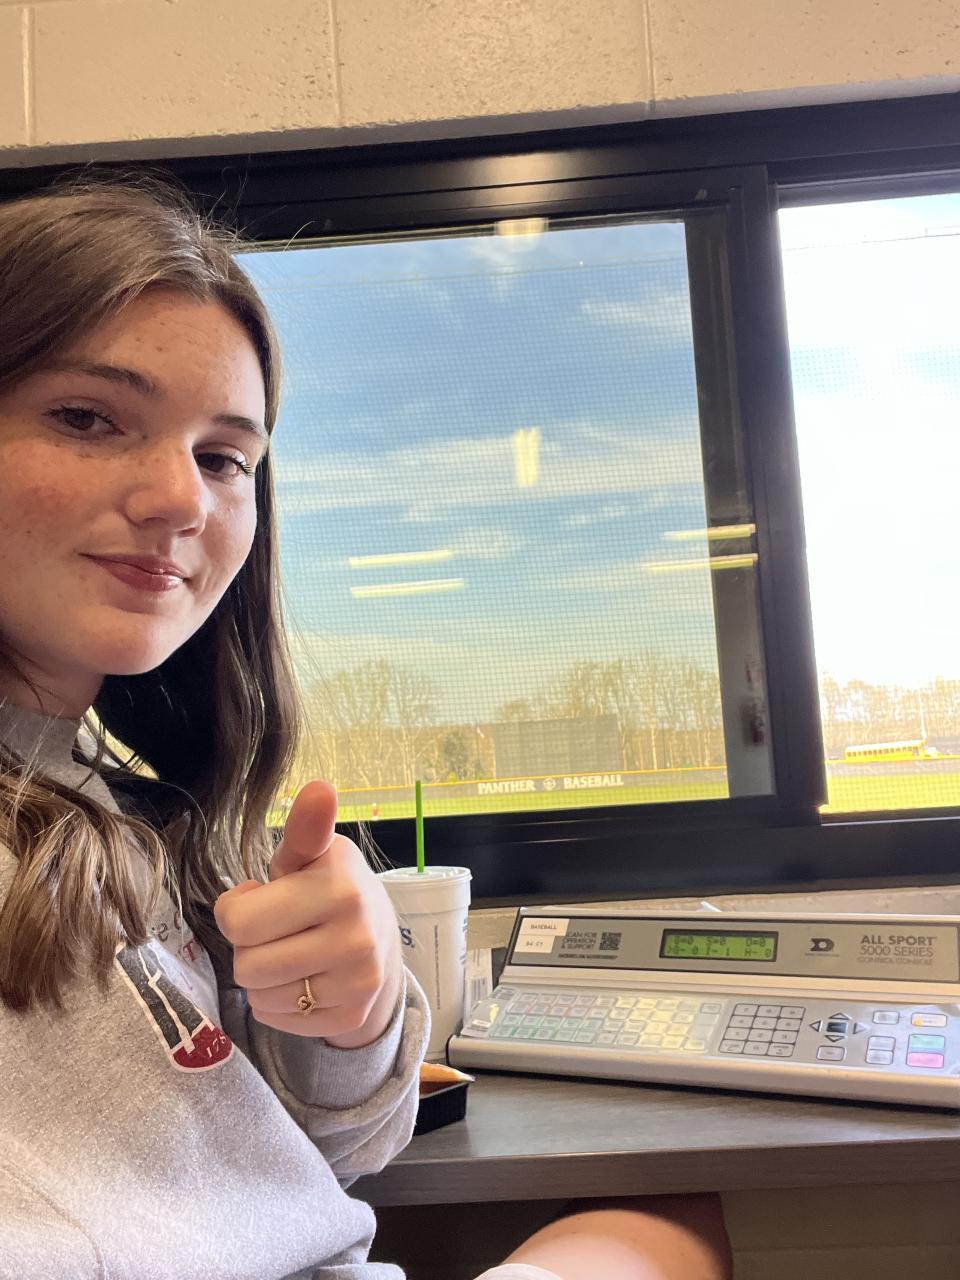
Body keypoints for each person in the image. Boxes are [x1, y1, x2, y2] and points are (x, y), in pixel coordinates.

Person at [0, 178, 732, 1280]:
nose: (181, 499)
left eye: (223, 456)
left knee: (671, 1218)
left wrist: (350, 1015)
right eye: (86, 417)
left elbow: (308, 1158)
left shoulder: (117, 801)